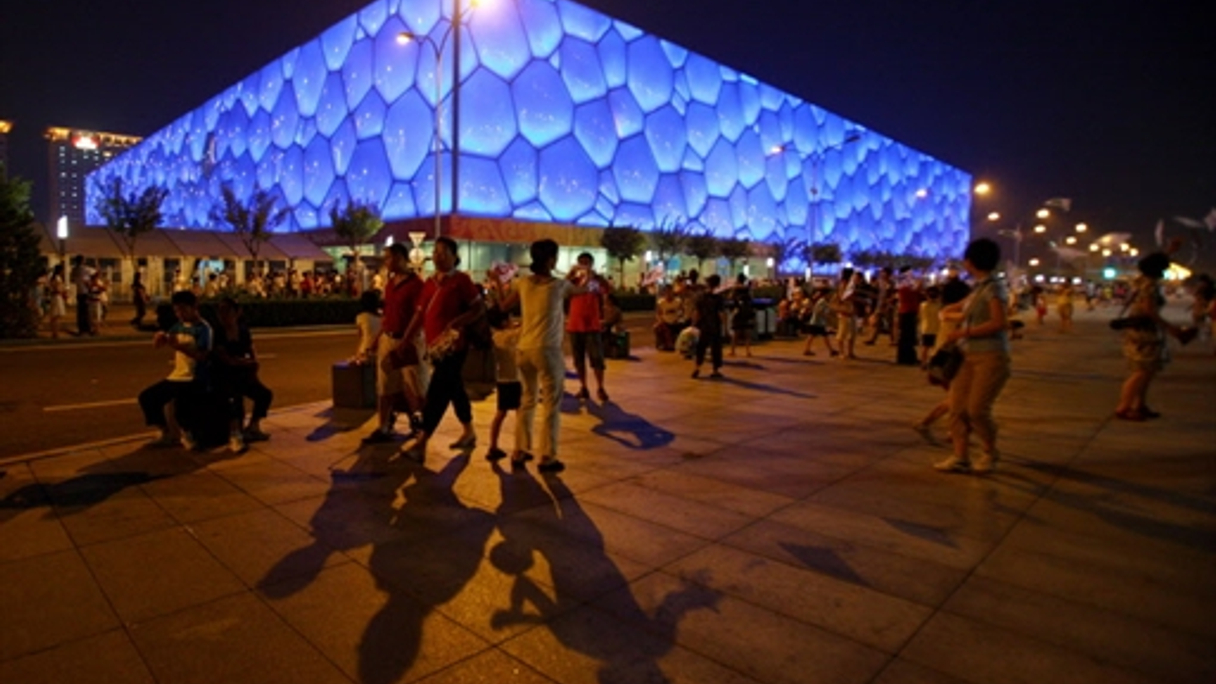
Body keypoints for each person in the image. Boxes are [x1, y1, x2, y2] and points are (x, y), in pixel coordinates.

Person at [492, 239, 596, 473]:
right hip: (548, 351)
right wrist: (587, 273)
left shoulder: (522, 283)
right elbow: (583, 289)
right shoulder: (559, 286)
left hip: (524, 349)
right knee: (551, 403)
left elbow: (502, 306)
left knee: (527, 401)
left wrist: (498, 282)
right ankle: (547, 456)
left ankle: (520, 450)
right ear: (551, 259)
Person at [400, 237, 485, 461]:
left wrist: (458, 321)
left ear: (455, 256)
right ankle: (469, 431)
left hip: (454, 346)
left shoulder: (461, 280)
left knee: (437, 392)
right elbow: (419, 313)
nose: (438, 255)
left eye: (444, 251)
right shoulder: (430, 283)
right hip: (434, 348)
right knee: (455, 389)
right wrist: (406, 339)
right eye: (436, 251)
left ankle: (422, 442)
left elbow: (478, 308)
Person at [934, 238, 1010, 474]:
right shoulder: (979, 287)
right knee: (957, 408)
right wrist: (949, 310)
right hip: (966, 355)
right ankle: (960, 456)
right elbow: (963, 307)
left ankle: (989, 452)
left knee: (977, 410)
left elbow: (999, 323)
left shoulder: (994, 288)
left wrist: (963, 332)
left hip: (990, 356)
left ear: (970, 262)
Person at [1114, 251, 1195, 420]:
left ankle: (1139, 405)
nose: (1165, 270)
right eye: (1164, 267)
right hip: (1144, 331)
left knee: (1147, 370)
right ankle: (1124, 407)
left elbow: (1152, 261)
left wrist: (1171, 249)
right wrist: (1171, 329)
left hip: (1138, 329)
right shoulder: (1150, 285)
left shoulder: (1141, 280)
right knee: (1141, 371)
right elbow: (1149, 310)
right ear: (1157, 269)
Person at [363, 244, 425, 444]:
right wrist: (377, 338)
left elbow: (419, 316)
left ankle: (421, 425)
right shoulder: (390, 284)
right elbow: (388, 315)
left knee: (415, 387)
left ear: (401, 258)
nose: (386, 262)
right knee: (385, 386)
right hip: (388, 340)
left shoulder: (417, 285)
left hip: (408, 342)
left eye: (389, 258)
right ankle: (383, 426)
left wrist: (406, 341)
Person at [138, 291, 212, 449]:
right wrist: (160, 338)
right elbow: (161, 342)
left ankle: (188, 434)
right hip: (177, 376)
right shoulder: (178, 326)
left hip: (194, 377)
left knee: (182, 406)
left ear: (194, 307)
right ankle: (167, 432)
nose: (180, 314)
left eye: (184, 310)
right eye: (177, 310)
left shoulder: (203, 328)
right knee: (148, 398)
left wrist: (178, 346)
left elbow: (202, 356)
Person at [212, 298, 273, 452]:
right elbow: (224, 357)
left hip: (242, 373)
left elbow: (251, 347)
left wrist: (254, 362)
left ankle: (253, 426)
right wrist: (244, 363)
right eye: (220, 312)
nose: (223, 315)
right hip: (223, 374)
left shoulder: (242, 329)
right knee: (233, 398)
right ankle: (235, 434)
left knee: (264, 395)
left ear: (237, 312)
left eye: (227, 311)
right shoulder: (217, 332)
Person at [566, 252, 611, 402]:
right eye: (581, 262)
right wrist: (571, 273)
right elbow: (562, 289)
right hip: (575, 324)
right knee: (578, 359)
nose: (584, 265)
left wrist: (596, 276)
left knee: (597, 358)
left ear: (591, 263)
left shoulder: (596, 281)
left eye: (587, 262)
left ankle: (600, 387)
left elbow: (608, 288)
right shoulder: (574, 280)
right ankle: (583, 386)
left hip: (592, 325)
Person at [484, 306, 523, 463]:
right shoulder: (510, 336)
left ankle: (493, 446)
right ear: (504, 321)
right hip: (515, 380)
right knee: (521, 415)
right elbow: (526, 327)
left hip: (502, 380)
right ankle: (518, 450)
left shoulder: (495, 337)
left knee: (500, 414)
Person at [691, 274, 727, 379]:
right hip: (715, 325)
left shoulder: (701, 296)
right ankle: (715, 371)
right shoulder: (718, 298)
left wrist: (693, 324)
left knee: (701, 347)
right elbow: (721, 314)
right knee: (715, 349)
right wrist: (725, 327)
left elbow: (697, 313)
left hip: (703, 325)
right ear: (718, 284)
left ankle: (697, 368)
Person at [895, 267, 922, 365]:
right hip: (907, 311)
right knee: (907, 336)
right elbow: (915, 292)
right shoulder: (904, 285)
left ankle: (908, 356)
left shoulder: (907, 284)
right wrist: (920, 281)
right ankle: (906, 358)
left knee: (908, 336)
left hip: (909, 311)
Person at [834, 269, 861, 360]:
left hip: (851, 310)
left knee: (852, 333)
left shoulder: (851, 285)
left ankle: (850, 352)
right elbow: (843, 297)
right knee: (842, 333)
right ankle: (841, 352)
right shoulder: (843, 285)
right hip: (844, 311)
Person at [801, 289, 837, 356]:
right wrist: (826, 315)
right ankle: (807, 350)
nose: (831, 296)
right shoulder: (822, 302)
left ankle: (831, 350)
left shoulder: (824, 301)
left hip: (818, 322)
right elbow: (818, 311)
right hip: (817, 322)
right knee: (814, 336)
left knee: (819, 336)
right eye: (830, 294)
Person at [728, 274, 755, 357]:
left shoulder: (735, 288)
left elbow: (730, 297)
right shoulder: (747, 289)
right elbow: (752, 298)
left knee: (736, 332)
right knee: (747, 332)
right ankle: (748, 351)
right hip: (746, 311)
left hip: (738, 311)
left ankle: (732, 351)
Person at [653, 285, 686, 351]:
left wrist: (679, 318)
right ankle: (663, 344)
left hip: (675, 321)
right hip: (665, 321)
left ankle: (675, 343)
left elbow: (682, 311)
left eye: (670, 292)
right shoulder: (661, 302)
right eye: (667, 292)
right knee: (657, 327)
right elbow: (658, 313)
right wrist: (661, 320)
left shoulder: (678, 301)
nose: (668, 294)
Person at [353, 290, 381, 364]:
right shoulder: (381, 318)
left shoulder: (361, 317)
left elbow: (361, 336)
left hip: (365, 350)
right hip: (380, 349)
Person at [918, 286, 942, 368]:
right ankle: (932, 362)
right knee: (934, 347)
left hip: (926, 328)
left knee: (925, 347)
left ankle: (923, 362)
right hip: (937, 328)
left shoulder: (923, 305)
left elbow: (920, 316)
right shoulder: (939, 306)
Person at [69, 255, 93, 336]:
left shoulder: (74, 270)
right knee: (86, 312)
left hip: (78, 292)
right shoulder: (84, 269)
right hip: (84, 292)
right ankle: (87, 329)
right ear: (82, 261)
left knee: (80, 312)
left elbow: (72, 280)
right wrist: (90, 288)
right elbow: (87, 281)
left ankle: (81, 328)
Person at [46, 264, 67, 339]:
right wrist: (63, 291)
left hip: (55, 297)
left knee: (55, 315)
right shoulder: (57, 278)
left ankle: (55, 332)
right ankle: (55, 332)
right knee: (56, 315)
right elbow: (58, 288)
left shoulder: (53, 278)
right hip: (57, 297)